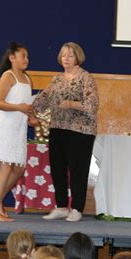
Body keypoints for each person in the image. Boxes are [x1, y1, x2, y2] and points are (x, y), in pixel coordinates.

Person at [33, 42, 99, 222]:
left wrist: (72, 104)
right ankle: (61, 206)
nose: (66, 59)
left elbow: (92, 105)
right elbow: (41, 101)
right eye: (63, 55)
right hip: (57, 128)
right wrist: (26, 106)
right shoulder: (57, 80)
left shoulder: (86, 78)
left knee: (78, 170)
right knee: (57, 169)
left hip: (80, 131)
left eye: (70, 55)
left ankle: (77, 208)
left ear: (78, 57)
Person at [0, 42, 36, 222]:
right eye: (23, 56)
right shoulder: (8, 76)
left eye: (27, 56)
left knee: (19, 168)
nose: (26, 60)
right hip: (5, 128)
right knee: (5, 167)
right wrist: (18, 107)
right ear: (12, 58)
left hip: (18, 129)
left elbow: (26, 105)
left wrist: (31, 117)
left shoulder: (27, 79)